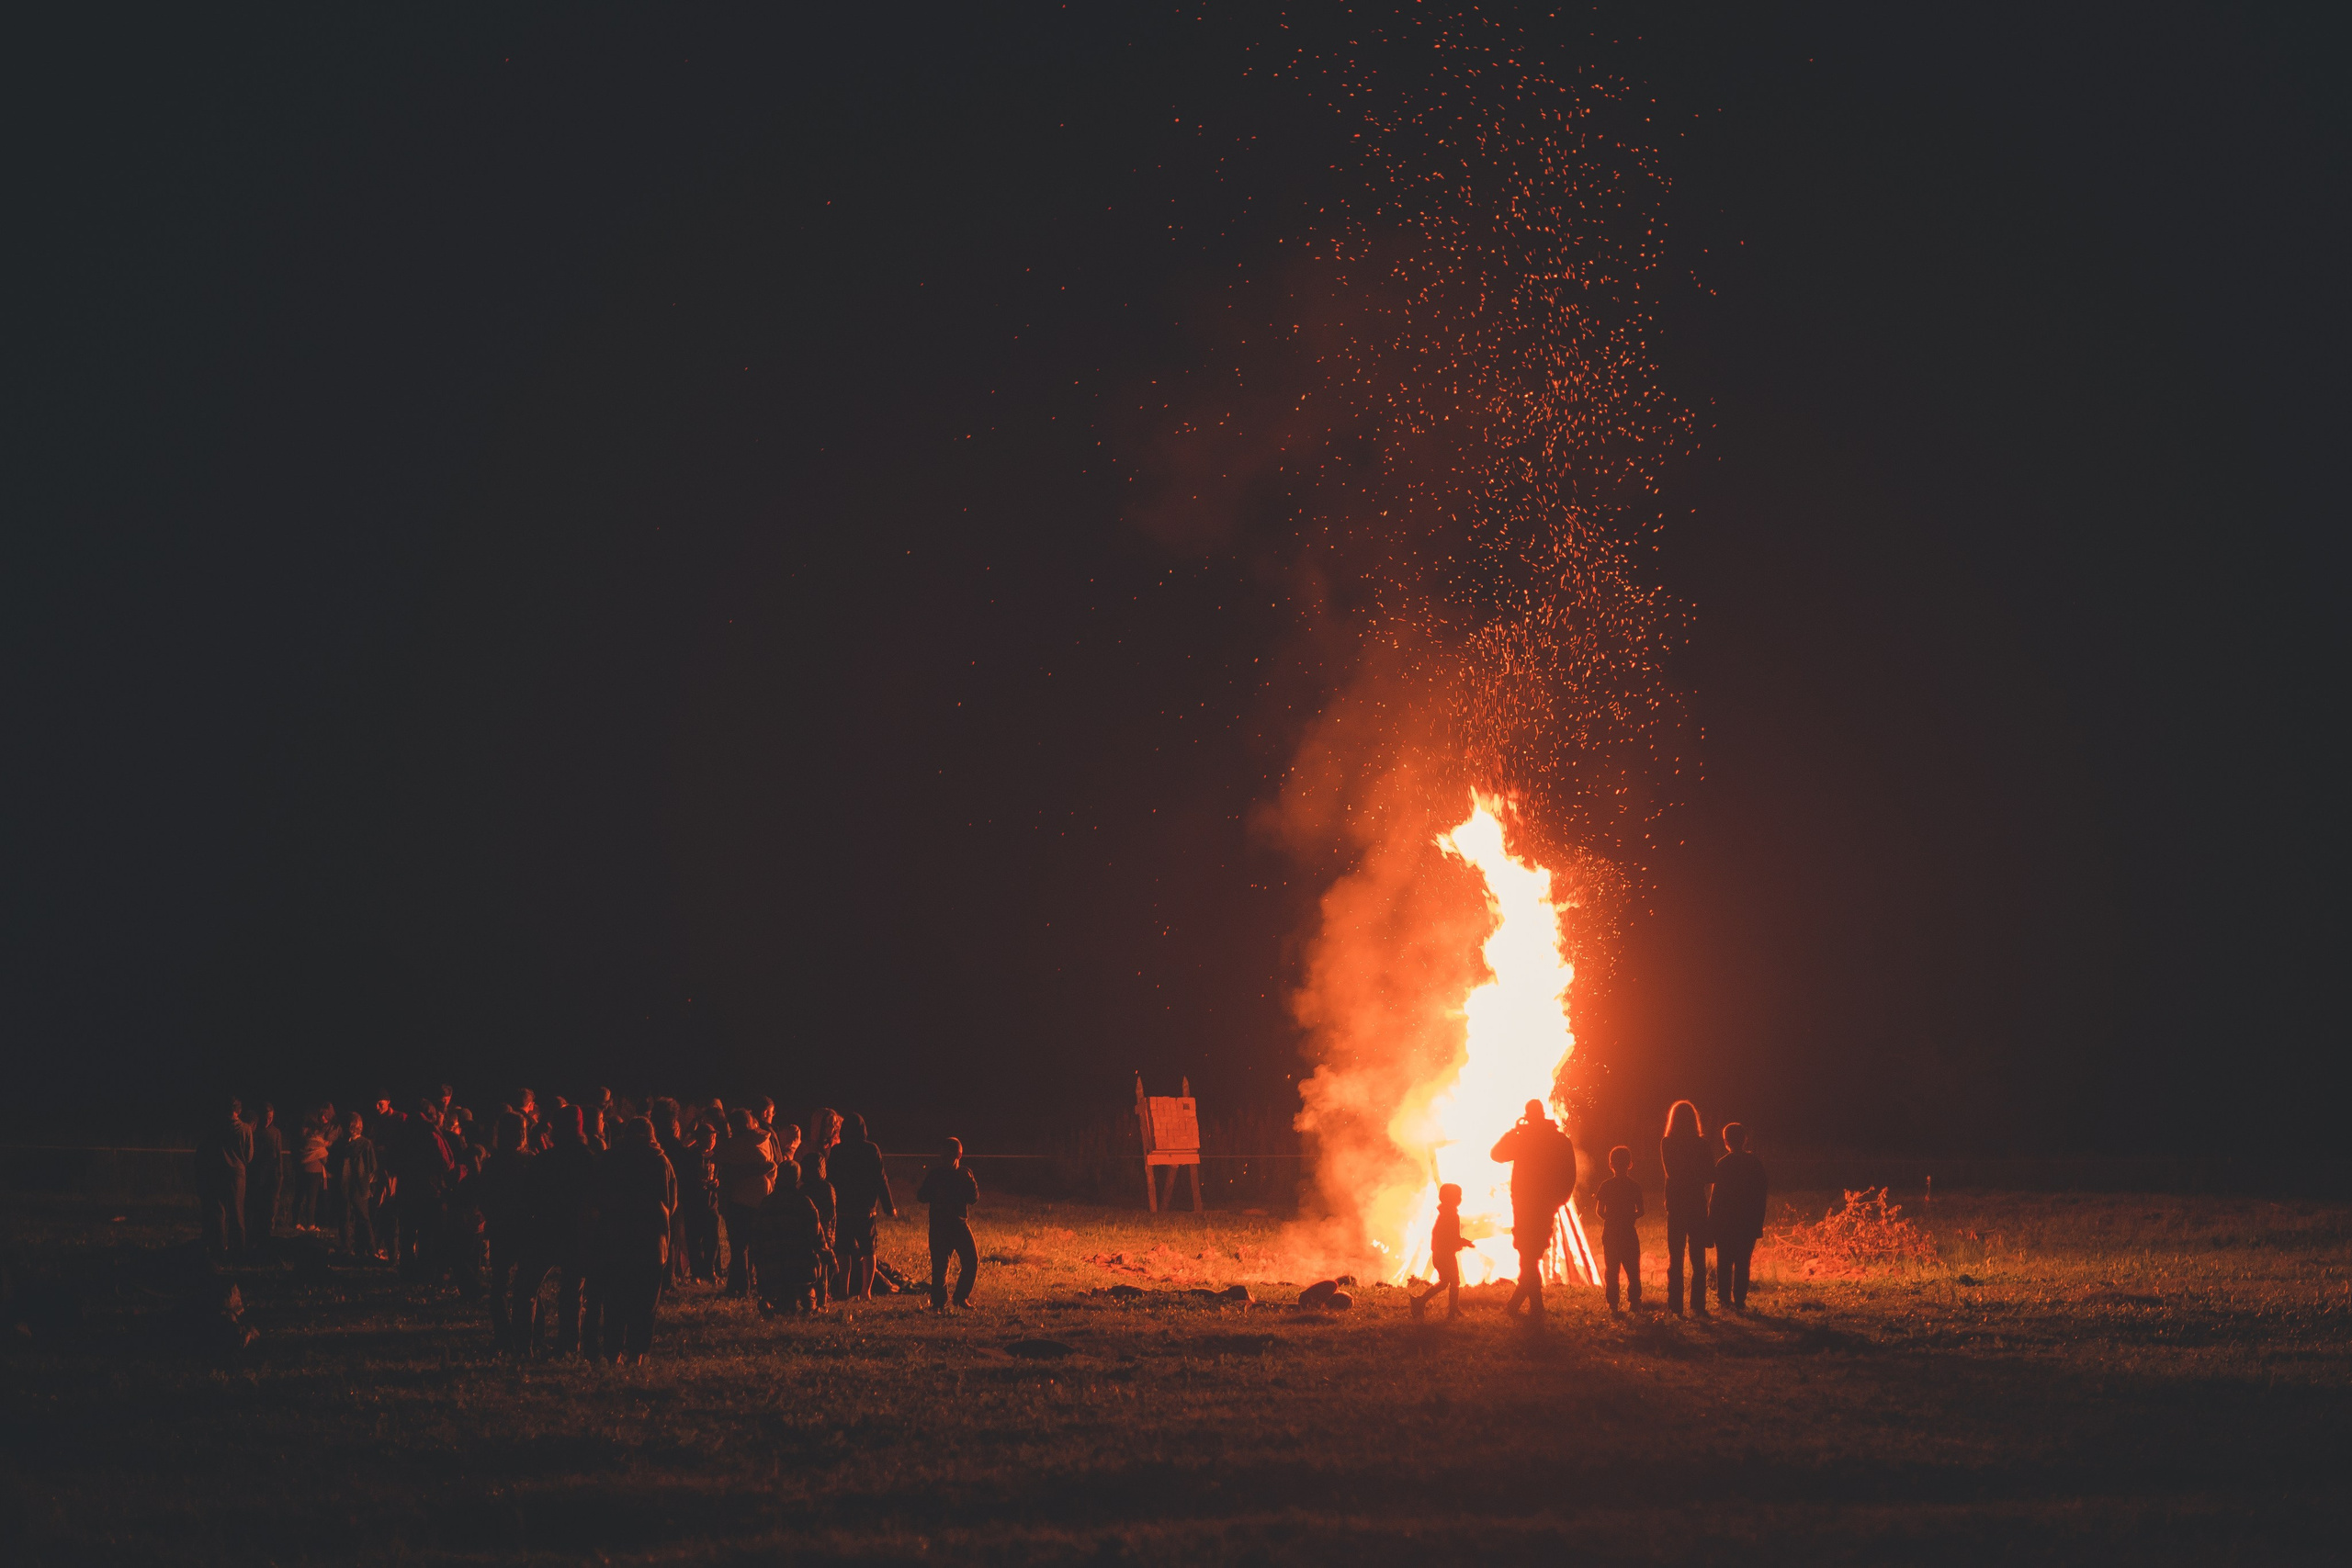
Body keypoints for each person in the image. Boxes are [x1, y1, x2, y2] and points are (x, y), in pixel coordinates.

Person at [512, 1106, 599, 1357]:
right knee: (572, 1292)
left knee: (527, 1289)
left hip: (545, 1230)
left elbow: (527, 1196)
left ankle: (523, 1346)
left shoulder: (545, 1160)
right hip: (574, 1232)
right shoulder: (588, 1159)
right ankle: (569, 1346)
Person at [592, 1117, 677, 1365]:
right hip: (650, 1241)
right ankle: (636, 1354)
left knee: (615, 1298)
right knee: (645, 1301)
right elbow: (670, 1202)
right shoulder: (660, 1161)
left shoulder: (610, 1159)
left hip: (615, 1238)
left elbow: (598, 1195)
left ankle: (612, 1351)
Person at [1489, 1100, 1576, 1325]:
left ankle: (1531, 1307)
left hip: (1526, 1204)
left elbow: (1496, 1154)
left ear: (1528, 1115)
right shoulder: (1559, 1139)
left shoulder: (1523, 1138)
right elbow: (1570, 1175)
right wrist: (1559, 1200)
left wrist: (1514, 1130)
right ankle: (1523, 1306)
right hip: (1543, 1205)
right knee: (1531, 1255)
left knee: (1528, 1256)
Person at [475, 1111, 535, 1348]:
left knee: (513, 1284)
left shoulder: (503, 1161)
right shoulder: (521, 1161)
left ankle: (515, 1336)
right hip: (515, 1227)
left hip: (513, 1227)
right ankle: (517, 1336)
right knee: (516, 1284)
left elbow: (484, 1194)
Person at [830, 1112, 896, 1300]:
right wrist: (889, 1206)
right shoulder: (871, 1150)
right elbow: (880, 1179)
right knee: (868, 1250)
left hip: (843, 1209)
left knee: (843, 1250)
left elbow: (831, 1179)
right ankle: (865, 1291)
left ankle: (844, 1290)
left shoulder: (837, 1151)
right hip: (865, 1209)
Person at [1660, 1100, 1713, 1317]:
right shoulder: (1702, 1144)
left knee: (1676, 1256)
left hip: (1676, 1203)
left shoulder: (1667, 1142)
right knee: (1698, 1257)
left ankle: (1675, 1306)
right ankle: (1698, 1305)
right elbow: (1711, 1174)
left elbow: (1671, 1173)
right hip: (1697, 1203)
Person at [718, 1109, 778, 1298]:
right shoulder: (764, 1140)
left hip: (740, 1199)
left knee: (739, 1246)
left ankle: (741, 1287)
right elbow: (772, 1166)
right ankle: (763, 1287)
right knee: (758, 1246)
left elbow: (725, 1167)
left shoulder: (734, 1145)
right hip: (762, 1197)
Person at [915, 1137, 980, 1311]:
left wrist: (970, 1181)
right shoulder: (936, 1175)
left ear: (958, 1155)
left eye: (947, 1154)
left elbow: (973, 1198)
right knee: (940, 1267)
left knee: (971, 1260)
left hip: (958, 1225)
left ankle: (959, 1298)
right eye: (942, 1154)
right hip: (940, 1226)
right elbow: (922, 1196)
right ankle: (939, 1302)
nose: (944, 1158)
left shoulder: (964, 1173)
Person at [1710, 1122, 1770, 1313]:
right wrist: (1758, 1222)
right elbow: (1761, 1195)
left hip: (1725, 1223)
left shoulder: (1723, 1164)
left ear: (1725, 1141)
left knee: (1724, 1262)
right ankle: (1740, 1299)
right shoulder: (1754, 1164)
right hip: (1747, 1223)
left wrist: (1712, 1224)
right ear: (1745, 1139)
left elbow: (1716, 1198)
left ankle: (1724, 1299)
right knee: (1743, 1262)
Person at [754, 1159, 826, 1315]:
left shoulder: (767, 1203)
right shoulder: (804, 1203)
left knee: (783, 1293)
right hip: (800, 1268)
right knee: (819, 1260)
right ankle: (812, 1303)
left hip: (773, 1268)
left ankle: (777, 1301)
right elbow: (817, 1237)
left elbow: (757, 1236)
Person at [198, 1098, 253, 1260]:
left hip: (219, 1172)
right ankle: (239, 1250)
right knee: (237, 1212)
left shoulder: (217, 1128)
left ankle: (219, 1248)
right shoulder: (245, 1129)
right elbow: (249, 1156)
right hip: (237, 1173)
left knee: (219, 1210)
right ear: (239, 1111)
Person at [1409, 1182, 1472, 1322]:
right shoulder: (1450, 1215)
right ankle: (1444, 1308)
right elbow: (1450, 1237)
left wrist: (1460, 1242)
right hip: (1445, 1255)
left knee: (1447, 1282)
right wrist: (1462, 1242)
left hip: (1443, 1254)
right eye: (1457, 1196)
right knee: (1452, 1282)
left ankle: (1447, 1308)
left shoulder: (1446, 1214)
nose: (1460, 1199)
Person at [1595, 1145, 1645, 1313]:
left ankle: (1613, 1303)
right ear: (1630, 1164)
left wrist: (1610, 1219)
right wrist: (1630, 1217)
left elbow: (1599, 1210)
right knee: (1633, 1270)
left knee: (1612, 1270)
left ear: (1611, 1165)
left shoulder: (1606, 1185)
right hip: (1628, 1233)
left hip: (1610, 1233)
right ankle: (1634, 1302)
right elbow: (1642, 1210)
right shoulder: (1635, 1186)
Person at [804, 1109, 843, 1305]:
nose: (832, 1127)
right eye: (828, 1123)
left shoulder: (835, 1146)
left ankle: (824, 1293)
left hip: (829, 1197)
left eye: (834, 1124)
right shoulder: (810, 1148)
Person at [682, 1119, 722, 1284]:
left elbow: (720, 1176)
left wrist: (717, 1183)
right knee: (695, 1239)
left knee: (712, 1238)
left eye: (714, 1138)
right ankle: (696, 1273)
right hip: (695, 1203)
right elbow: (686, 1178)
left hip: (711, 1203)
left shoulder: (716, 1157)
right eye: (709, 1138)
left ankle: (710, 1270)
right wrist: (696, 1182)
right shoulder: (692, 1156)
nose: (712, 1141)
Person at [336, 1112, 380, 1258]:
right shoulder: (344, 1143)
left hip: (358, 1186)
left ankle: (370, 1249)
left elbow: (373, 1167)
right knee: (346, 1218)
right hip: (347, 1185)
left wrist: (370, 1185)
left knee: (363, 1219)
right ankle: (347, 1248)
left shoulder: (364, 1144)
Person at [245, 1102, 285, 1247]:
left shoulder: (276, 1133)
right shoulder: (255, 1131)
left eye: (271, 1118)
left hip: (271, 1176)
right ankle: (253, 1239)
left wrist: (280, 1174)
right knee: (256, 1208)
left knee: (269, 1209)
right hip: (256, 1175)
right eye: (266, 1117)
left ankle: (265, 1238)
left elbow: (279, 1155)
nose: (268, 1120)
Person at [295, 1109, 334, 1233]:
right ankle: (310, 1224)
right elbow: (323, 1157)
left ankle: (296, 1222)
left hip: (302, 1171)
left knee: (300, 1197)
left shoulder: (304, 1141)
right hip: (315, 1172)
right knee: (312, 1199)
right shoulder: (317, 1141)